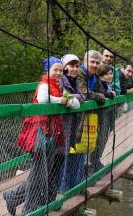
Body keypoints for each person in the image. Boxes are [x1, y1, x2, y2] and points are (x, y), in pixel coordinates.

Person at [3, 57, 79, 216]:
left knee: (41, 173)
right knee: (40, 172)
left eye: (60, 70)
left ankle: (13, 197)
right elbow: (43, 99)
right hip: (39, 132)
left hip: (51, 132)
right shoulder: (44, 85)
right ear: (47, 71)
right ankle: (28, 210)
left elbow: (76, 103)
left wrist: (69, 101)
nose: (58, 73)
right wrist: (62, 101)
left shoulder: (59, 86)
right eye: (55, 70)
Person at [58, 54, 86, 192]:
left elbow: (83, 95)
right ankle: (62, 186)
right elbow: (63, 95)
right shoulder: (61, 79)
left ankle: (72, 184)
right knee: (63, 154)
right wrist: (78, 97)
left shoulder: (78, 80)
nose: (75, 69)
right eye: (71, 66)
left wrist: (76, 97)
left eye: (77, 66)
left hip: (75, 121)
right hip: (62, 124)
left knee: (74, 151)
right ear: (64, 67)